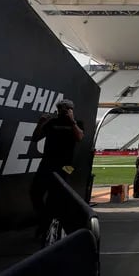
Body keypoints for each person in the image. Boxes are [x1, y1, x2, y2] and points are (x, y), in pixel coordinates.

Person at [30, 99, 84, 238]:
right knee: (35, 192)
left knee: (56, 196)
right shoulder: (51, 123)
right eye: (60, 109)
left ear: (71, 110)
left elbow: (79, 137)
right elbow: (35, 138)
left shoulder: (77, 123)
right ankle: (45, 221)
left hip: (67, 165)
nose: (62, 112)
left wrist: (72, 121)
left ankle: (48, 225)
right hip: (47, 162)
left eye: (66, 109)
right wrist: (40, 123)